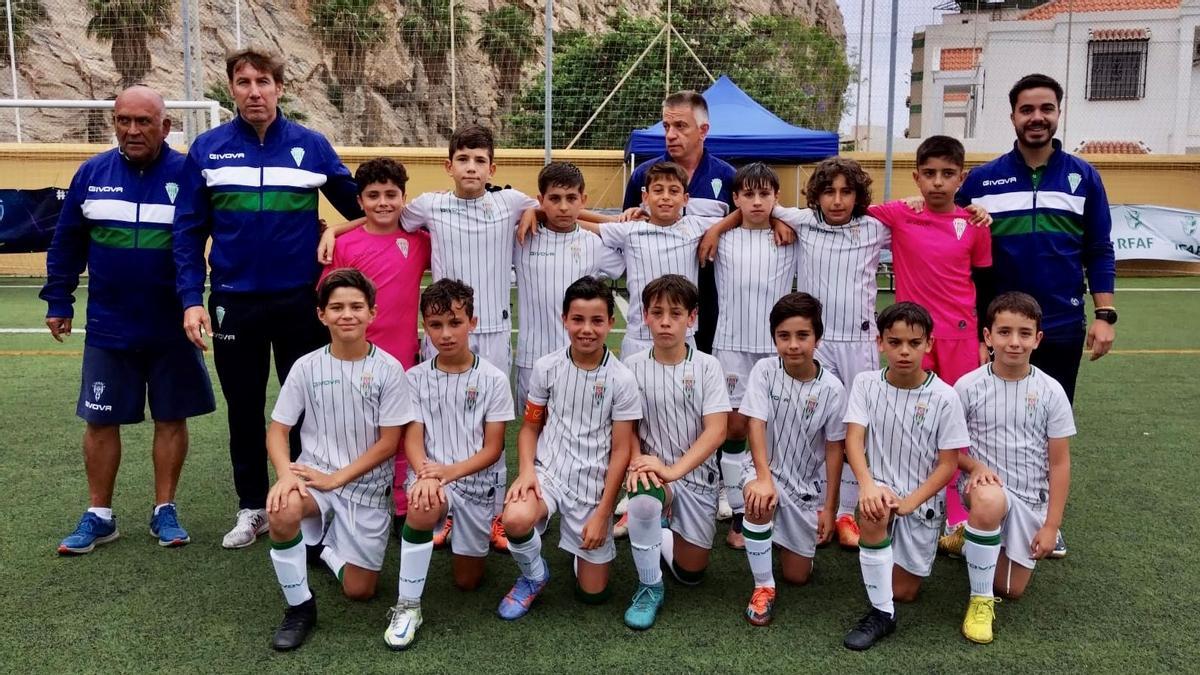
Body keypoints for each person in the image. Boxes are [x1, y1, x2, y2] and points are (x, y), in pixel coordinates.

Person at [173, 47, 363, 550]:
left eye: (263, 82)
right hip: (234, 301)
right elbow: (188, 231)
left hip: (301, 301)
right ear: (231, 89)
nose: (254, 91)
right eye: (243, 82)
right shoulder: (208, 150)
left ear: (280, 87)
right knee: (244, 407)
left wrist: (338, 227)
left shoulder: (311, 145)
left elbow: (364, 207)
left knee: (307, 407)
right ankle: (253, 507)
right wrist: (192, 299)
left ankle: (306, 499)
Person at [321, 124, 537, 550]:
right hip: (439, 331)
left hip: (491, 333)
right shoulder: (429, 206)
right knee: (437, 424)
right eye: (463, 159)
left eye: (479, 161)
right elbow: (380, 218)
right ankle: (444, 506)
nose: (471, 167)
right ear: (448, 166)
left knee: (488, 427)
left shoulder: (512, 202)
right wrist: (334, 231)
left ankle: (493, 513)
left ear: (492, 168)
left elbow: (550, 208)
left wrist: (536, 211)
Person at [42, 85, 216, 554]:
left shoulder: (189, 174)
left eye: (143, 122)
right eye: (124, 120)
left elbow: (206, 239)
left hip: (171, 323)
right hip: (109, 324)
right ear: (114, 122)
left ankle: (165, 510)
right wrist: (58, 299)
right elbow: (67, 242)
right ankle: (99, 515)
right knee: (99, 422)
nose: (132, 130)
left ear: (165, 126)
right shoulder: (92, 173)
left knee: (171, 416)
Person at [956, 73, 1115, 558]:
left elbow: (1099, 249)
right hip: (996, 329)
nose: (1037, 118)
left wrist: (1105, 313)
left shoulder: (1083, 177)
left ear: (1057, 113)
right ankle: (981, 513)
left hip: (1061, 326)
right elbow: (953, 234)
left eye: (1045, 108)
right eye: (1027, 110)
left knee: (1046, 428)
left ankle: (1048, 519)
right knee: (984, 424)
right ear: (1013, 117)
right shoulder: (983, 180)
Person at [700, 157, 890, 550]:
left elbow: (913, 219)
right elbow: (749, 210)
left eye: (846, 192)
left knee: (848, 426)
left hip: (843, 342)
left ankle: (840, 510)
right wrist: (720, 224)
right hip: (754, 343)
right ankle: (740, 498)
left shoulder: (865, 228)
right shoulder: (790, 223)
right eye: (828, 192)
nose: (837, 200)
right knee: (743, 425)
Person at [263, 269, 414, 651]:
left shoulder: (389, 370)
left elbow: (388, 443)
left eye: (356, 307)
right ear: (322, 316)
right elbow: (278, 430)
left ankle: (322, 548)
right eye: (337, 308)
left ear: (372, 313)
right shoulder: (306, 367)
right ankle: (300, 607)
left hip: (363, 488)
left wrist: (337, 479)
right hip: (313, 478)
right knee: (281, 510)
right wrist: (285, 475)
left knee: (360, 591)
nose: (347, 314)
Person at [867, 135, 993, 532]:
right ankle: (904, 497)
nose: (938, 182)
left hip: (959, 334)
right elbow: (855, 208)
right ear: (916, 177)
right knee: (909, 418)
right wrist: (905, 201)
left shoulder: (974, 224)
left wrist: (980, 339)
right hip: (911, 337)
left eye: (948, 174)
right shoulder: (901, 215)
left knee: (954, 421)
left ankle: (956, 514)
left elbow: (982, 280)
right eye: (930, 174)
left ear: (962, 177)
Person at [496, 277, 641, 620]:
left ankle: (582, 548)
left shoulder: (622, 379)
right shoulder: (547, 367)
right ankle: (534, 575)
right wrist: (527, 471)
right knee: (514, 519)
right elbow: (529, 428)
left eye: (596, 321)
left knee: (593, 596)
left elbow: (621, 452)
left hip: (593, 485)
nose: (586, 329)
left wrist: (603, 514)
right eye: (577, 319)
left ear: (611, 323)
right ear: (564, 319)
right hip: (549, 471)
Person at [385, 279, 514, 650]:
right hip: (432, 477)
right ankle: (408, 605)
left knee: (467, 582)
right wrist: (428, 472)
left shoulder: (493, 379)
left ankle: (461, 524)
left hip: (474, 482)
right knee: (424, 501)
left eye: (455, 323)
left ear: (472, 322)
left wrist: (449, 472)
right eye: (435, 325)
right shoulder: (414, 378)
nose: (445, 334)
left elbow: (493, 449)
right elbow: (412, 437)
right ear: (424, 325)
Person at [841, 302, 969, 651]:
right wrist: (867, 485)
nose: (904, 351)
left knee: (905, 592)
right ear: (880, 343)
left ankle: (888, 564)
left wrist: (911, 502)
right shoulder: (866, 384)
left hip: (920, 503)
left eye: (914, 343)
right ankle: (882, 614)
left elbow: (948, 464)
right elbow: (854, 440)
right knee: (874, 509)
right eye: (895, 342)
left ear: (929, 343)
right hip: (879, 491)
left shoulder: (945, 396)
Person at [952, 292, 1074, 644]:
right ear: (988, 337)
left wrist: (1052, 525)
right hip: (984, 490)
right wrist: (974, 467)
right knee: (989, 501)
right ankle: (979, 601)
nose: (1014, 342)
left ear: (1038, 339)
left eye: (1024, 333)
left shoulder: (1051, 391)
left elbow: (1059, 462)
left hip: (1030, 501)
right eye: (1004, 332)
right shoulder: (968, 386)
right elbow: (947, 452)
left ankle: (969, 540)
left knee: (1011, 588)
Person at [319, 157, 431, 529]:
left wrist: (334, 227)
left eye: (391, 194)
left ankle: (402, 505)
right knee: (352, 431)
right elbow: (329, 298)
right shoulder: (345, 245)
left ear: (403, 197)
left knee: (401, 430)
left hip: (402, 359)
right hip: (353, 358)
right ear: (360, 201)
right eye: (373, 195)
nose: (383, 202)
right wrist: (335, 231)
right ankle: (343, 503)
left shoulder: (418, 241)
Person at [622, 275, 731, 630]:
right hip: (654, 472)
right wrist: (638, 463)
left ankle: (660, 530)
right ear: (645, 316)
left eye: (675, 313)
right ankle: (649, 587)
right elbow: (628, 428)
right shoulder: (632, 367)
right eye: (657, 312)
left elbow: (717, 431)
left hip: (696, 477)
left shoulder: (707, 367)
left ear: (692, 317)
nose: (666, 321)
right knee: (642, 499)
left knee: (690, 573)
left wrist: (675, 471)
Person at [738, 293, 846, 627]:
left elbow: (834, 449)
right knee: (760, 500)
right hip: (764, 472)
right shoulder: (764, 371)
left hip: (804, 487)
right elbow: (755, 422)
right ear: (774, 339)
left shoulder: (832, 389)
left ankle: (785, 542)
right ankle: (763, 587)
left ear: (818, 338)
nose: (793, 345)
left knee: (798, 576)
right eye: (784, 337)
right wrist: (762, 476)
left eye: (803, 336)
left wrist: (830, 508)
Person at [623, 90, 735, 355]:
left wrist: (717, 228)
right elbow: (626, 225)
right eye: (666, 126)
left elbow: (754, 213)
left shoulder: (727, 175)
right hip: (655, 308)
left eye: (680, 126)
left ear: (703, 130)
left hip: (712, 302)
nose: (671, 134)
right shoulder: (643, 175)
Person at [513, 162, 624, 408]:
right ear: (540, 200)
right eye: (554, 198)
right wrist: (532, 213)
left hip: (582, 359)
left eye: (571, 198)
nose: (563, 206)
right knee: (534, 432)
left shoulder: (594, 244)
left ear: (583, 200)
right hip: (532, 358)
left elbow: (629, 258)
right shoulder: (522, 237)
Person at [583, 162, 716, 359]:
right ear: (645, 197)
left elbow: (742, 216)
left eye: (673, 191)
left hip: (683, 336)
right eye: (658, 190)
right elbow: (572, 218)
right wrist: (541, 213)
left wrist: (717, 230)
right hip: (639, 337)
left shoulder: (695, 225)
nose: (665, 197)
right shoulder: (630, 231)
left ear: (685, 199)